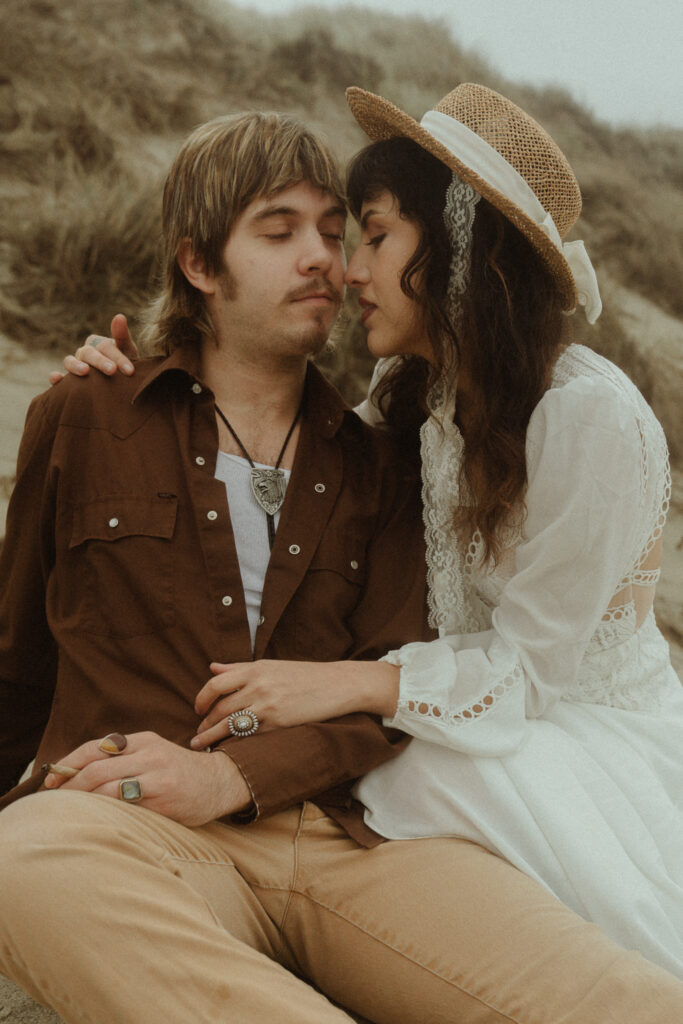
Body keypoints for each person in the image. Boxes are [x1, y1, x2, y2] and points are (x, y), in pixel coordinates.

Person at [12, 101, 683, 1024]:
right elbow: (16, 665)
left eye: (344, 233)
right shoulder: (87, 417)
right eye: (281, 232)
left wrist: (236, 775)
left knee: (622, 1002)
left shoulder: (384, 454)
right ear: (199, 263)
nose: (331, 261)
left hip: (357, 823)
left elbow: (394, 675)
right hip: (143, 827)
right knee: (28, 858)